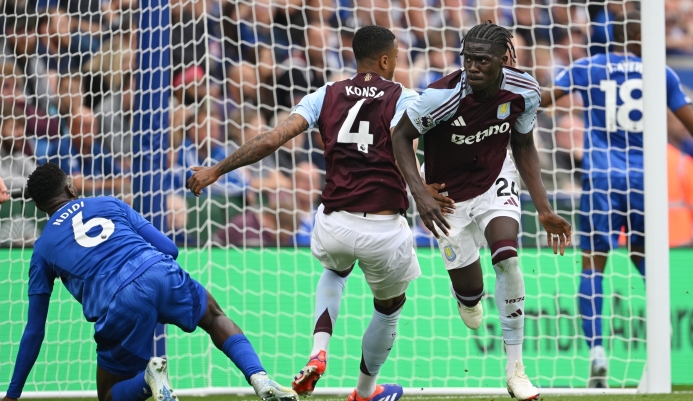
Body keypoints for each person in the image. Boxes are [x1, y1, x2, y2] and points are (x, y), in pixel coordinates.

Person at [189, 25, 432, 401]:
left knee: (335, 271)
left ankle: (319, 351)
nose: (398, 63)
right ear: (385, 59)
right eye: (397, 57)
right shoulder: (403, 97)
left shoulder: (326, 94)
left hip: (333, 221)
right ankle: (366, 392)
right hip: (384, 227)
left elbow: (272, 138)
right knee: (389, 308)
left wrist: (216, 170)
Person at [0, 163, 298, 401]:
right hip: (158, 270)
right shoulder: (107, 202)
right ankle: (259, 377)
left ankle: (148, 380)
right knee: (214, 316)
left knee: (108, 394)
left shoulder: (41, 250)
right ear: (70, 187)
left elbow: (34, 330)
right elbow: (170, 248)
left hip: (118, 303)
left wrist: (13, 395)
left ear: (41, 207)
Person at [392, 21, 572, 401]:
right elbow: (400, 137)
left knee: (507, 258)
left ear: (503, 60)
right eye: (468, 59)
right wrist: (420, 193)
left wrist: (542, 208)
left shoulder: (524, 91)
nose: (472, 67)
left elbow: (523, 145)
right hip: (446, 196)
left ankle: (516, 370)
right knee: (472, 298)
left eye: (482, 60)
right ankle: (467, 297)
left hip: (495, 179)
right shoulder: (439, 97)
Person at [539, 10, 693, 388]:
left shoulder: (587, 66)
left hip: (602, 180)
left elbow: (544, 100)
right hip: (647, 184)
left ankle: (597, 355)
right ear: (643, 38)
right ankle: (662, 345)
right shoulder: (662, 73)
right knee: (647, 261)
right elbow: (689, 122)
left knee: (593, 264)